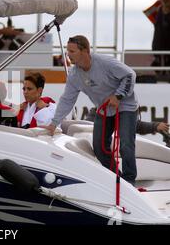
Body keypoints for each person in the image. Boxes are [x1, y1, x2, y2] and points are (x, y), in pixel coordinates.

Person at [44, 35, 139, 185]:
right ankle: (118, 180)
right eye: (67, 51)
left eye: (72, 51)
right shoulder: (74, 75)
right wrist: (54, 123)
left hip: (125, 107)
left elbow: (130, 75)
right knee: (99, 148)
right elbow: (67, 99)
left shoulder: (105, 63)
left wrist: (118, 96)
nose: (68, 54)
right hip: (104, 110)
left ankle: (130, 180)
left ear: (85, 51)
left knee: (126, 145)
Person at [85, 108, 170, 135]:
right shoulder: (97, 111)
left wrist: (155, 126)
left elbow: (133, 125)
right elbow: (134, 126)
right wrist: (154, 126)